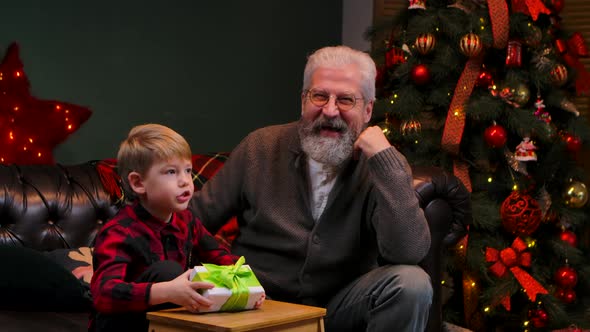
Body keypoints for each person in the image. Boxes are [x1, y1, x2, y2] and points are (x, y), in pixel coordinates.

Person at [191, 45, 433, 331]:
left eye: (345, 100)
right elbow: (193, 220)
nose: (330, 111)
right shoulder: (261, 147)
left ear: (368, 110)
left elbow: (408, 253)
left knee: (413, 284)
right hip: (259, 305)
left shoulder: (381, 165)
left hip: (339, 306)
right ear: (303, 100)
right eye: (319, 96)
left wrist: (386, 162)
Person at [90, 124, 239, 332]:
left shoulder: (186, 220)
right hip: (119, 324)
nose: (185, 181)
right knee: (167, 271)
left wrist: (245, 286)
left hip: (163, 320)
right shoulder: (119, 231)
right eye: (171, 172)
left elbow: (219, 256)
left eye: (188, 170)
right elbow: (104, 294)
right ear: (138, 183)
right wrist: (165, 291)